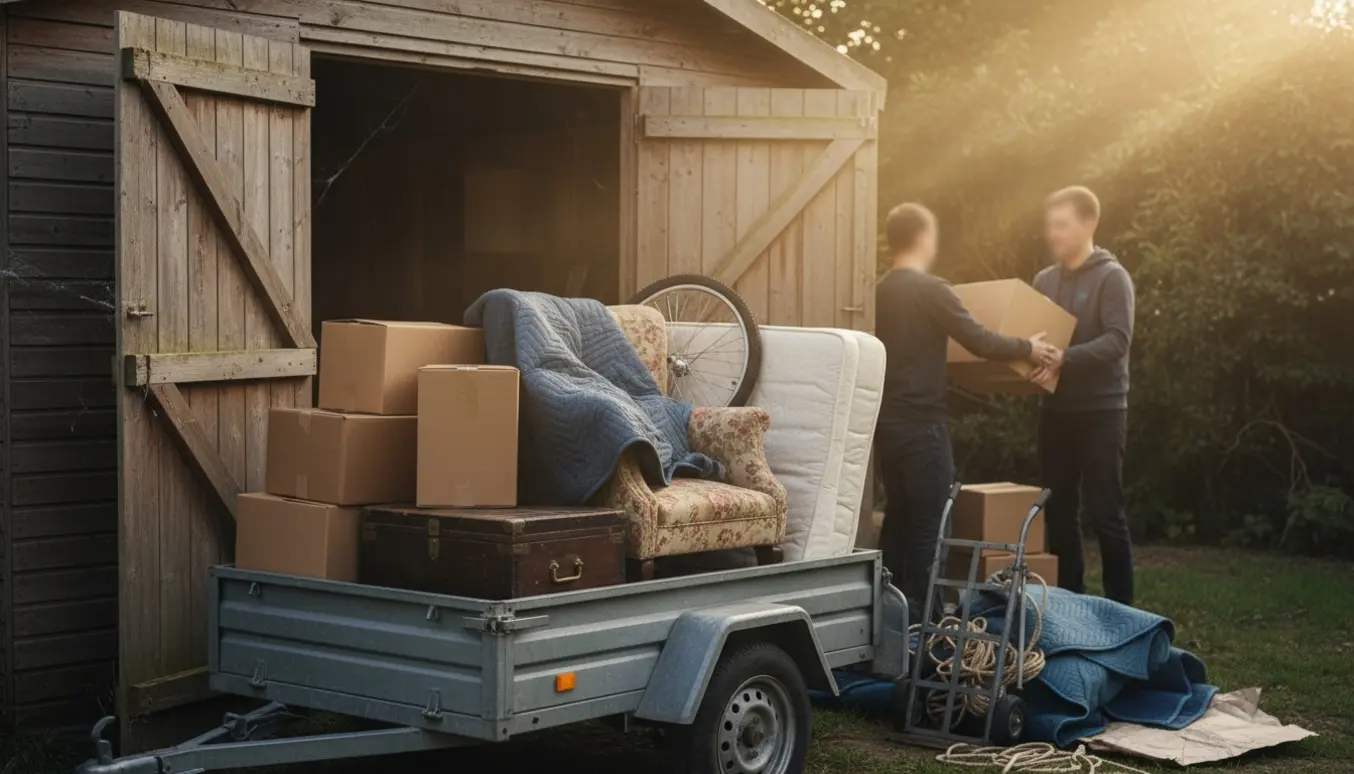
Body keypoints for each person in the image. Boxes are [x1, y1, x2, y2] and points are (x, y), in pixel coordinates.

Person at [874, 203, 1058, 618]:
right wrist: (1028, 348)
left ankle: (888, 618)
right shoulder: (931, 289)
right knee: (930, 527)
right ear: (924, 237)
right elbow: (979, 341)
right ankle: (928, 626)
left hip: (887, 427)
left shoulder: (877, 292)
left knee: (898, 522)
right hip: (923, 426)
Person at [1030, 186, 1136, 606]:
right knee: (1058, 511)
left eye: (1062, 224)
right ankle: (1071, 604)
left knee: (1106, 514)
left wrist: (1065, 358)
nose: (1053, 233)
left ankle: (1122, 612)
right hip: (1054, 411)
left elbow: (1118, 340)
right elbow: (1034, 342)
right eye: (1050, 225)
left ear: (1088, 224)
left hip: (1102, 411)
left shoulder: (1113, 277)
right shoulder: (1043, 280)